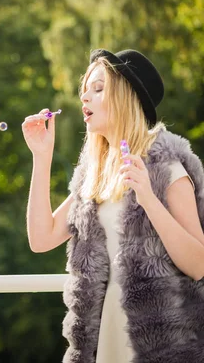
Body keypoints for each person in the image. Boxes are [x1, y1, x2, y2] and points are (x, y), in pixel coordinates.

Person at [22, 49, 204, 362]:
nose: (85, 99)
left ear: (125, 97)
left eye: (98, 88)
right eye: (84, 92)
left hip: (159, 346)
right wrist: (41, 156)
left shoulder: (167, 168)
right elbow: (41, 238)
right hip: (104, 339)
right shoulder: (94, 177)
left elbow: (199, 264)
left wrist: (148, 198)